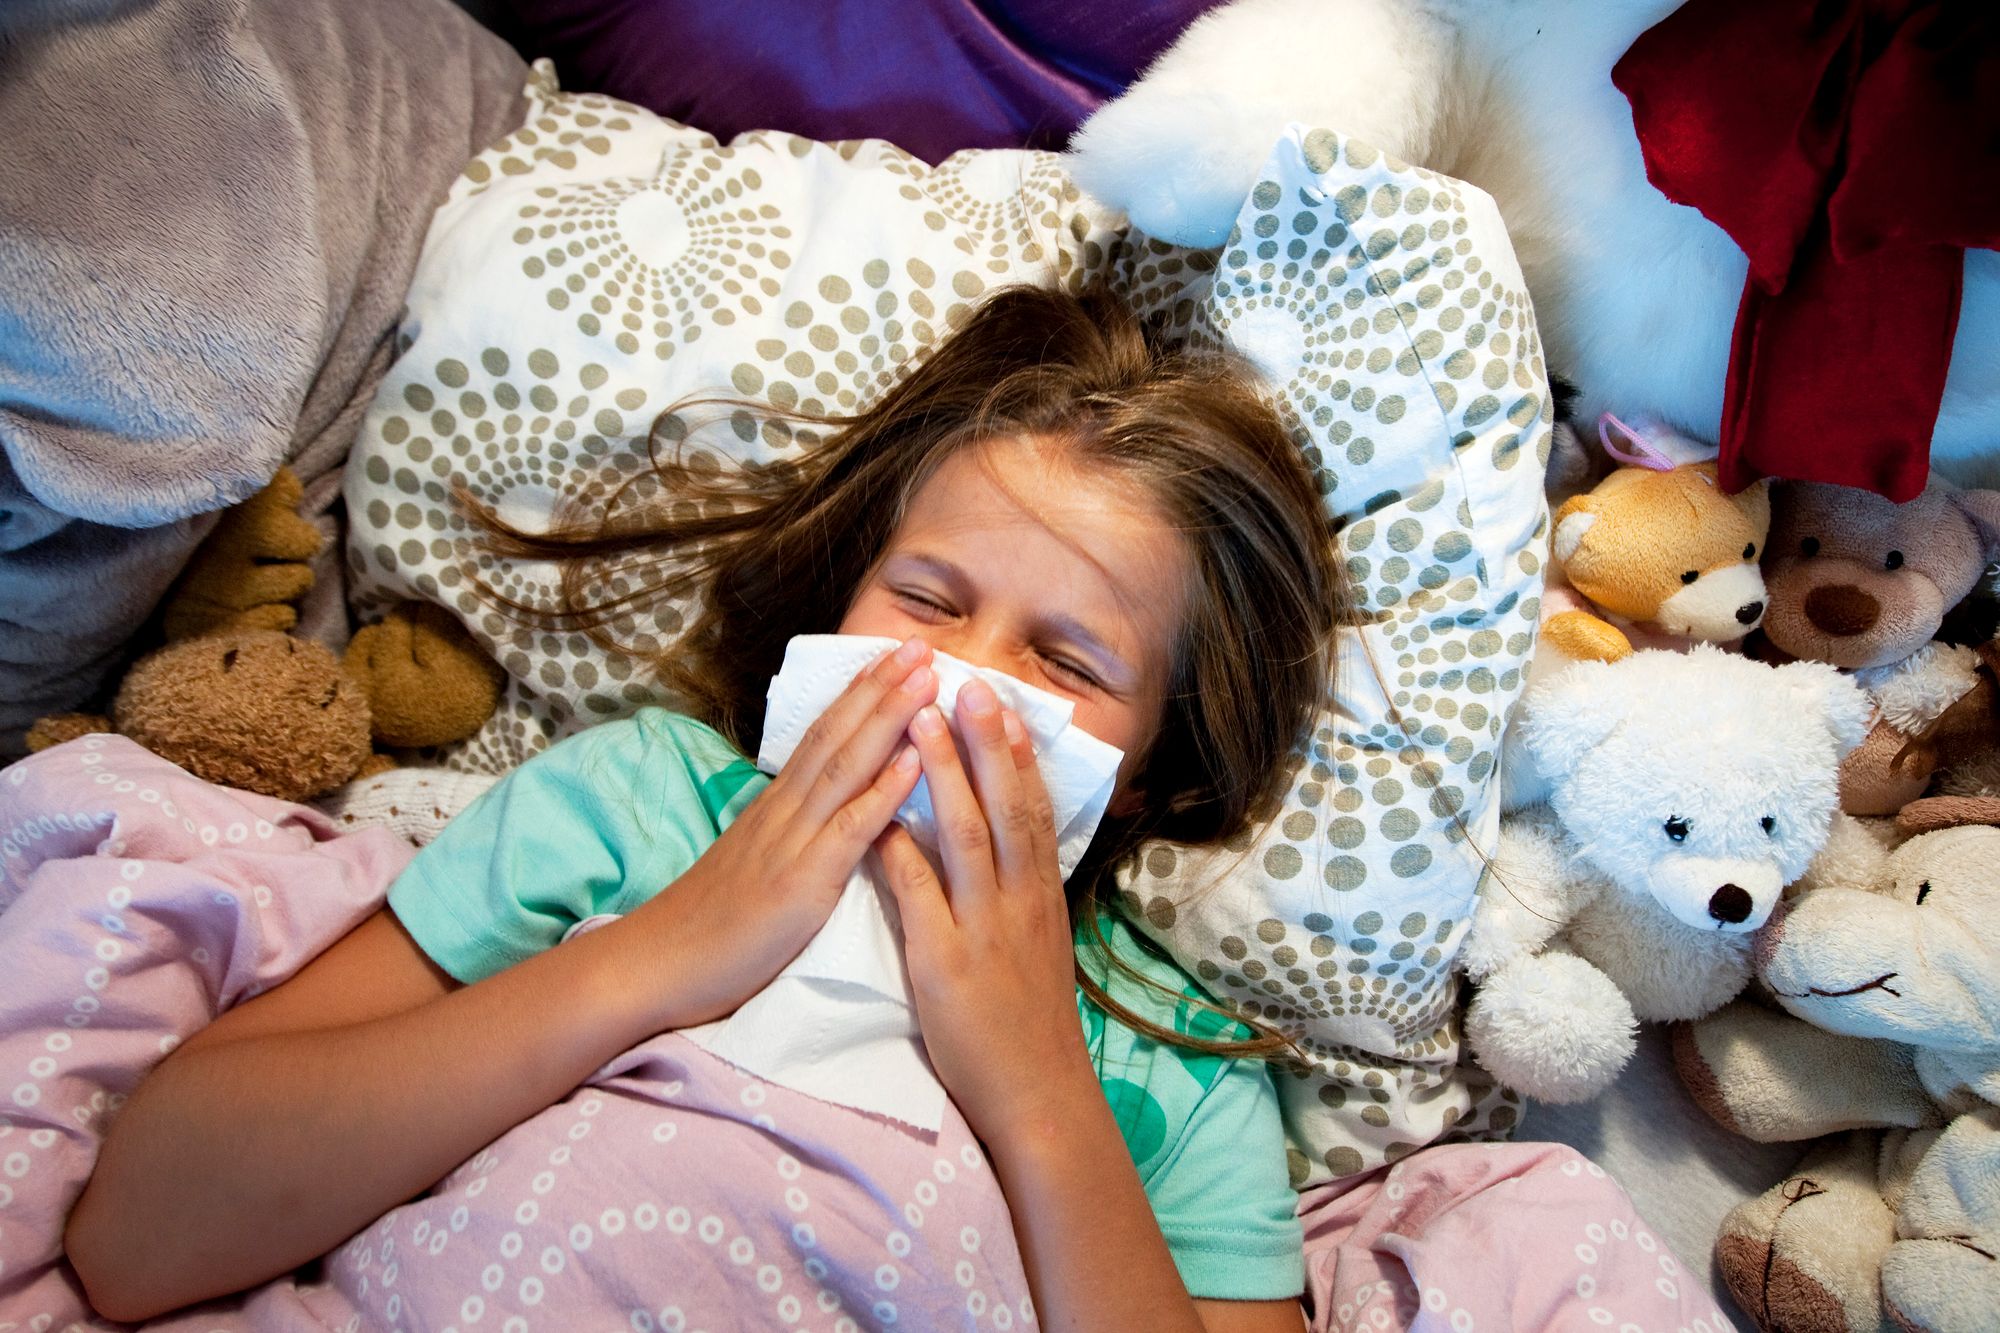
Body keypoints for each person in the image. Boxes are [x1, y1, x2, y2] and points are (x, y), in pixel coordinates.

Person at [64, 284, 1346, 1330]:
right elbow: (140, 1241)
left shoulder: (1168, 1066)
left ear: (1154, 770)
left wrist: (1035, 1085)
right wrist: (666, 954)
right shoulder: (638, 803)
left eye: (1065, 663)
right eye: (928, 599)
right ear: (841, 603)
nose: (958, 681)